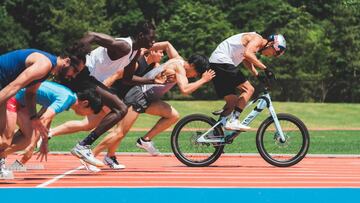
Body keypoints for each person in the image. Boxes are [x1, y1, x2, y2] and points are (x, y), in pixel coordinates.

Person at [87, 41, 215, 170]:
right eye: (196, 74)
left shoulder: (177, 59)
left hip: (148, 99)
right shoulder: (179, 67)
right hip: (138, 96)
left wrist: (146, 47)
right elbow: (185, 90)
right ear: (192, 65)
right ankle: (91, 156)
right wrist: (203, 80)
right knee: (120, 132)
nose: (194, 76)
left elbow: (167, 45)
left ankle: (143, 141)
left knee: (173, 115)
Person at [56, 21, 163, 167]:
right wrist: (75, 58)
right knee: (121, 108)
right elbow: (92, 36)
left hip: (91, 79)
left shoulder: (135, 52)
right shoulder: (125, 46)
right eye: (151, 37)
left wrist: (153, 80)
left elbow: (127, 78)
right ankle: (83, 146)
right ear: (140, 35)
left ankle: (81, 145)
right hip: (85, 73)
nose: (154, 41)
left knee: (120, 109)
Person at [0, 48, 75, 178]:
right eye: (75, 71)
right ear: (67, 61)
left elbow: (30, 94)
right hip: (10, 93)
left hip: (9, 92)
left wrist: (34, 118)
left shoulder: (48, 69)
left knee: (11, 141)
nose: (73, 76)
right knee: (6, 140)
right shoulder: (45, 65)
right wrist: (41, 142)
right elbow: (14, 86)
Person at [0, 81, 102, 169]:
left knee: (27, 137)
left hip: (21, 101)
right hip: (13, 96)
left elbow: (47, 117)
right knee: (18, 140)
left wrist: (44, 142)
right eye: (90, 112)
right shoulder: (66, 99)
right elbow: (43, 119)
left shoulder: (68, 96)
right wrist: (31, 146)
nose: (88, 115)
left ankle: (2, 157)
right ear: (85, 103)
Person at [209, 33, 286, 131]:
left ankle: (216, 132)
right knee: (249, 89)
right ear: (271, 44)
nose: (271, 56)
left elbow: (245, 58)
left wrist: (257, 74)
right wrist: (266, 69)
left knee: (232, 102)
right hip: (222, 61)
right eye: (274, 53)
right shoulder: (257, 39)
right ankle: (234, 120)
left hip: (215, 64)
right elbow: (247, 54)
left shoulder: (255, 44)